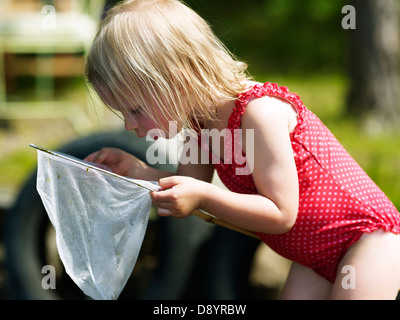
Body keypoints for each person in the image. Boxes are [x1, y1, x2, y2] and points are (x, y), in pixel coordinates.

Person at [83, 0, 400, 299]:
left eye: (135, 110)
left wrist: (202, 196)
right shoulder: (201, 127)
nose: (128, 124)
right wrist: (137, 172)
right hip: (315, 254)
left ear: (177, 80)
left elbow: (280, 213)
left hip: (366, 239)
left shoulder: (259, 114)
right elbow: (189, 187)